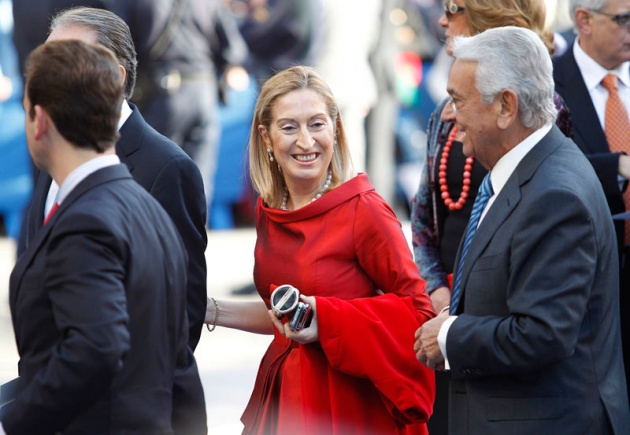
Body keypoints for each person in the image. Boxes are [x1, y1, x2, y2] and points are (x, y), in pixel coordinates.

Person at [414, 26, 630, 434]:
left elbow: (543, 334)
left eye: (459, 100)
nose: (450, 116)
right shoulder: (526, 170)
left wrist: (450, 334)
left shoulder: (554, 194)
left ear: (506, 107)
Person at [203, 65, 436, 434]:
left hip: (347, 407)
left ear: (335, 128)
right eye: (289, 126)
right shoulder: (270, 209)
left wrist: (328, 319)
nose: (306, 142)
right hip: (285, 399)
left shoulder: (364, 210)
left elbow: (421, 314)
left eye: (316, 124)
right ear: (266, 136)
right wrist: (206, 310)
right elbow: (284, 319)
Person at [0, 39, 196, 434]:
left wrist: (14, 423)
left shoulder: (87, 219)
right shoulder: (144, 207)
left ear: (40, 121)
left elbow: (95, 347)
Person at [410, 1, 572, 432]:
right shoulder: (446, 115)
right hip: (445, 311)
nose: (443, 20)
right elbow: (423, 218)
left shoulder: (538, 113)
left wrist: (460, 325)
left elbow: (541, 324)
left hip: (496, 325)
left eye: (456, 7)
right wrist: (438, 294)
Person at [22, 6, 208, 353]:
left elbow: (180, 317)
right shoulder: (51, 149)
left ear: (114, 76)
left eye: (66, 62)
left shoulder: (167, 169)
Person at [552, 0, 630, 400]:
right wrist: (616, 166)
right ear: (583, 20)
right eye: (623, 19)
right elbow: (549, 165)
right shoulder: (549, 85)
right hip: (589, 278)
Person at [104, 0, 249, 208]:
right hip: (203, 94)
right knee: (198, 181)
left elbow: (119, 47)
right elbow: (233, 50)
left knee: (152, 179)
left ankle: (157, 238)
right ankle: (195, 237)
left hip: (158, 96)